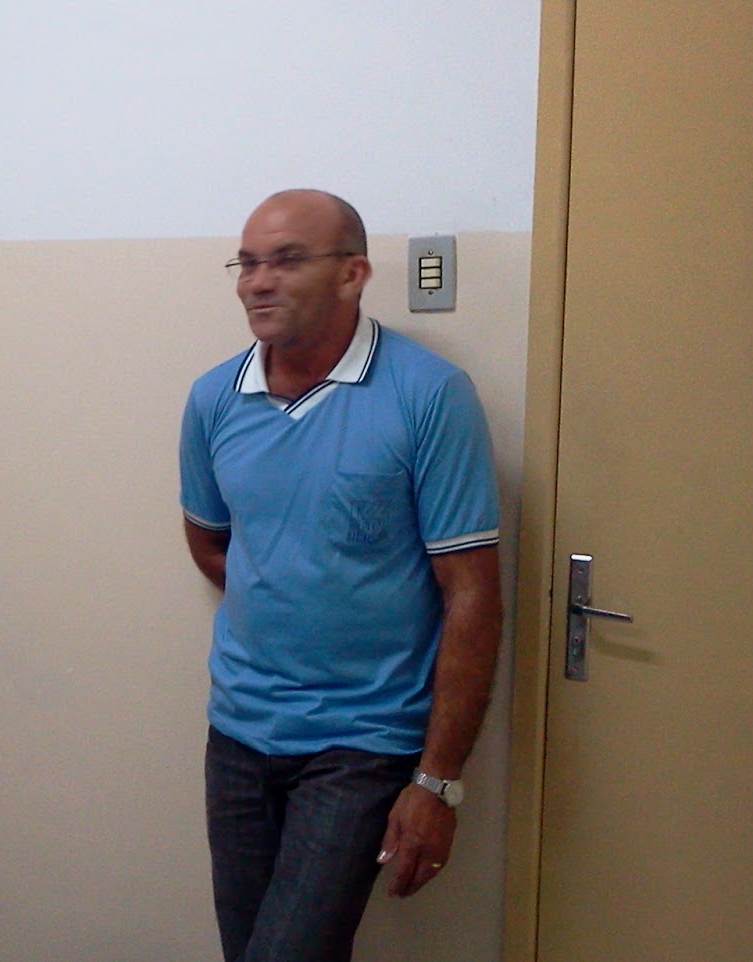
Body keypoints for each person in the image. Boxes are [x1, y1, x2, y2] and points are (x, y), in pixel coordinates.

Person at [179, 190, 502, 962]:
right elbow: (212, 543)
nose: (258, 282)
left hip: (363, 742)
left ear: (353, 274)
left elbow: (471, 594)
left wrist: (437, 783)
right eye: (247, 263)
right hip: (238, 733)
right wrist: (296, 604)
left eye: (286, 261)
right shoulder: (214, 398)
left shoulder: (429, 395)